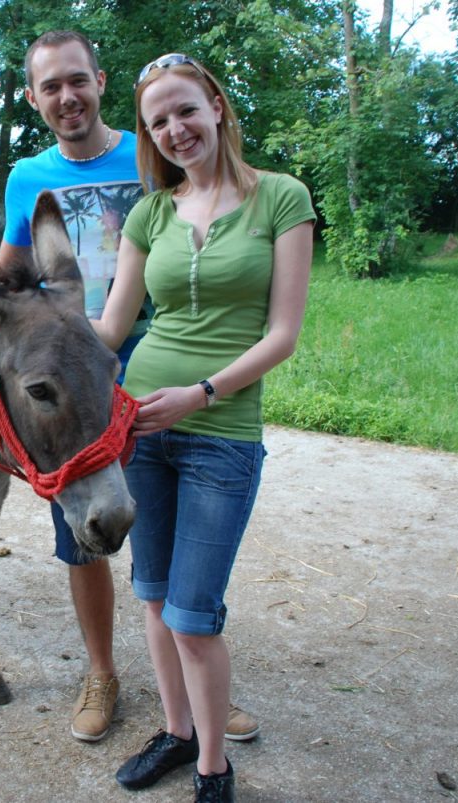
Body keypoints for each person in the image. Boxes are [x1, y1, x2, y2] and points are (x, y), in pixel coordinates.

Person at [0, 32, 261, 746]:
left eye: (77, 81)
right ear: (33, 98)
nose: (67, 97)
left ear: (101, 80)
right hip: (73, 382)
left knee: (172, 524)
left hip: (155, 360)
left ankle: (200, 680)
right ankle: (103, 671)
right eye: (50, 87)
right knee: (84, 533)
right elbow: (13, 264)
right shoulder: (27, 176)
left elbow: (205, 207)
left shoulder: (148, 155)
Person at [89, 53, 315, 800]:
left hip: (221, 431)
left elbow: (283, 334)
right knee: (152, 594)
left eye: (185, 109)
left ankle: (215, 764)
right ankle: (178, 734)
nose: (175, 129)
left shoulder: (281, 198)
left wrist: (202, 392)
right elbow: (114, 325)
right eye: (159, 121)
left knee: (193, 612)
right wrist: (9, 317)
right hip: (142, 429)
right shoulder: (151, 213)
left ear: (216, 104)